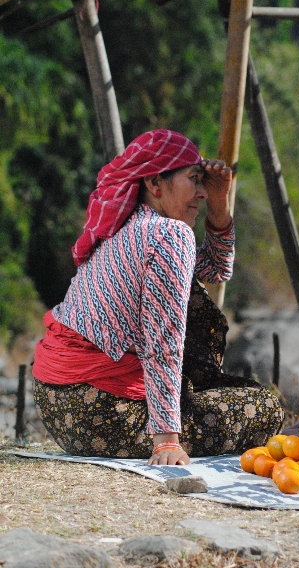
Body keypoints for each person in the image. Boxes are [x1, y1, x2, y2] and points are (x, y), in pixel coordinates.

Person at [32, 129, 284, 465]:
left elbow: (214, 269)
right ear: (155, 184)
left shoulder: (133, 225)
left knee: (228, 395)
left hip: (57, 403)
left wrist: (221, 205)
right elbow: (163, 339)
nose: (202, 193)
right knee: (265, 409)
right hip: (97, 411)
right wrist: (166, 439)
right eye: (194, 180)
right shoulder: (168, 234)